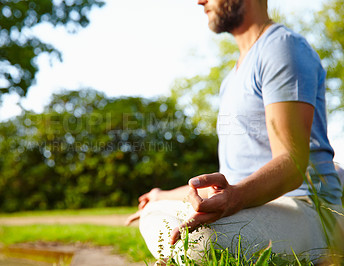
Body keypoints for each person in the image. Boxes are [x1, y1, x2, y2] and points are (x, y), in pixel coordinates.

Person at [125, 0, 344, 264]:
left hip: (306, 206)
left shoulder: (282, 48)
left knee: (196, 240)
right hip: (256, 204)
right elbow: (230, 183)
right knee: (159, 213)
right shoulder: (231, 80)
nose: (200, 1)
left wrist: (234, 199)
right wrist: (161, 196)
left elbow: (293, 163)